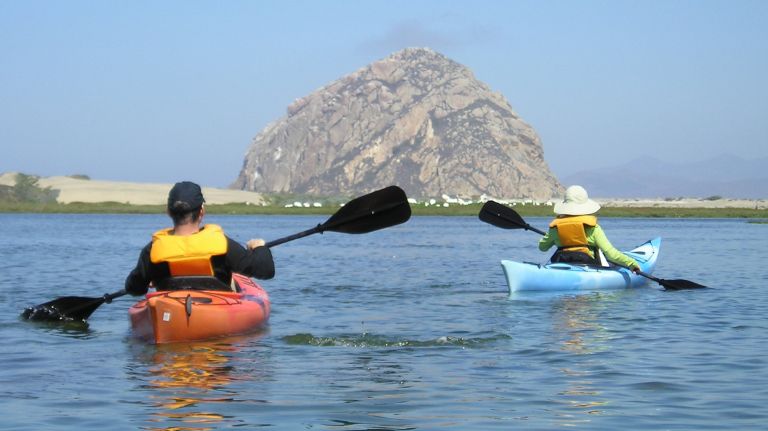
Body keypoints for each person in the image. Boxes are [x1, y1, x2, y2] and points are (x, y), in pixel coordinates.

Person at [124, 181, 275, 296]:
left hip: (170, 312)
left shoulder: (152, 250)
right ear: (201, 212)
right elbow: (266, 270)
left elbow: (135, 288)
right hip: (215, 311)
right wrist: (259, 247)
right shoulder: (222, 244)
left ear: (168, 212)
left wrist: (152, 277)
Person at [539, 185, 640, 272]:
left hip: (562, 266)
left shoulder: (555, 228)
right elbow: (611, 254)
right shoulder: (593, 228)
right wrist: (632, 264)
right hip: (589, 268)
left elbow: (542, 247)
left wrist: (553, 238)